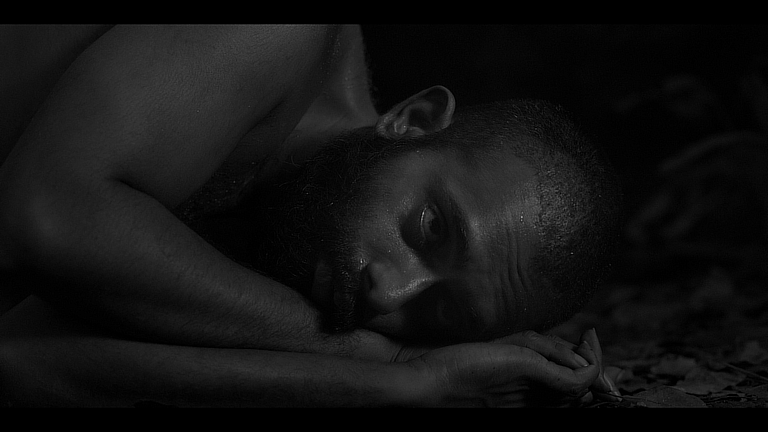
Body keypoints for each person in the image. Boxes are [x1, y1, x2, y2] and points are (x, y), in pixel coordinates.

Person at [0, 24, 622, 407]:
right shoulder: (275, 34)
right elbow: (43, 217)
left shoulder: (293, 238)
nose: (389, 291)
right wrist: (379, 358)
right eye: (432, 228)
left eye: (443, 312)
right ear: (413, 121)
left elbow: (23, 363)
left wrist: (410, 385)